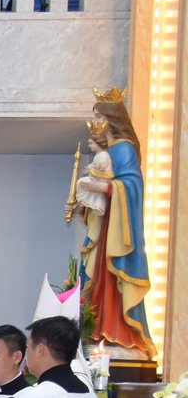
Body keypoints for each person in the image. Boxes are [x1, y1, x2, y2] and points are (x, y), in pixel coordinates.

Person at [67, 91, 157, 360]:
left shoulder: (124, 148)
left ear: (112, 119)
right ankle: (97, 334)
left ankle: (122, 336)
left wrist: (102, 187)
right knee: (96, 279)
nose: (96, 122)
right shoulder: (105, 152)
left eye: (99, 116)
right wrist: (82, 205)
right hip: (103, 229)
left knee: (114, 280)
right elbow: (98, 198)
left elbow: (132, 186)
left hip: (119, 232)